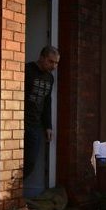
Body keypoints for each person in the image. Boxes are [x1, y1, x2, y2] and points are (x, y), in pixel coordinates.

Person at [24, 46, 60, 177]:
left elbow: (47, 102)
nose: (54, 66)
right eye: (51, 62)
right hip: (21, 123)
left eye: (56, 63)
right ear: (42, 58)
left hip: (35, 125)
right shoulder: (27, 70)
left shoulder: (50, 78)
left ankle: (16, 192)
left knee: (30, 162)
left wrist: (48, 126)